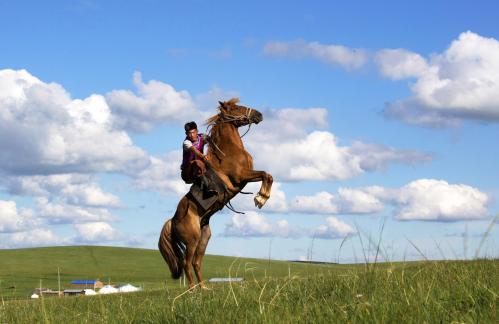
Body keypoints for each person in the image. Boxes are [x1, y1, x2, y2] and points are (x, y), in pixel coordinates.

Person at [181, 121, 217, 196]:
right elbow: (194, 151)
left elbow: (213, 141)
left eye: (193, 132)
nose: (191, 135)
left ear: (197, 131)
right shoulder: (186, 142)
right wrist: (204, 156)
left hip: (200, 168)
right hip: (188, 171)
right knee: (198, 162)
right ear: (186, 134)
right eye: (189, 133)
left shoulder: (202, 137)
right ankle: (208, 189)